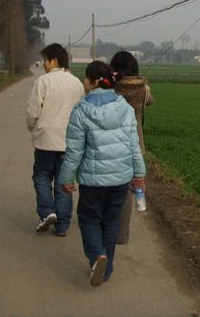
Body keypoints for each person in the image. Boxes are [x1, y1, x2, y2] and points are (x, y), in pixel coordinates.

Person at [59, 61, 146, 287]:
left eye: (85, 78)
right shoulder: (125, 108)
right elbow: (134, 145)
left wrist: (66, 178)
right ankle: (106, 269)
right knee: (111, 221)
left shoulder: (81, 110)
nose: (83, 82)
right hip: (120, 179)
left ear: (92, 81)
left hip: (93, 181)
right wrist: (139, 174)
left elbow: (74, 152)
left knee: (89, 218)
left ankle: (97, 255)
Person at [26, 43, 84, 235]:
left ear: (55, 60)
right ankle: (62, 224)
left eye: (45, 60)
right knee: (64, 181)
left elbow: (33, 111)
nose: (43, 63)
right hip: (69, 142)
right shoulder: (76, 83)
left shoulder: (43, 81)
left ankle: (47, 212)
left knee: (41, 176)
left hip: (46, 140)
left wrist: (32, 127)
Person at [110, 51, 154, 244]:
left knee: (107, 185)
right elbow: (150, 102)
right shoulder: (143, 89)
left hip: (111, 141)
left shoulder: (111, 87)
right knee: (127, 189)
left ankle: (106, 227)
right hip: (134, 142)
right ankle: (121, 234)